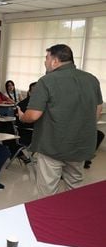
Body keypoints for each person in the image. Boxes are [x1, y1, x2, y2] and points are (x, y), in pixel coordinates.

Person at [18, 44, 103, 197]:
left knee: (48, 190)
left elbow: (33, 115)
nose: (45, 62)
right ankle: (71, 218)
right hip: (79, 146)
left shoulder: (47, 81)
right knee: (74, 186)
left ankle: (50, 219)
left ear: (55, 61)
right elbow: (97, 112)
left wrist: (22, 116)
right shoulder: (91, 80)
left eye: (46, 58)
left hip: (53, 146)